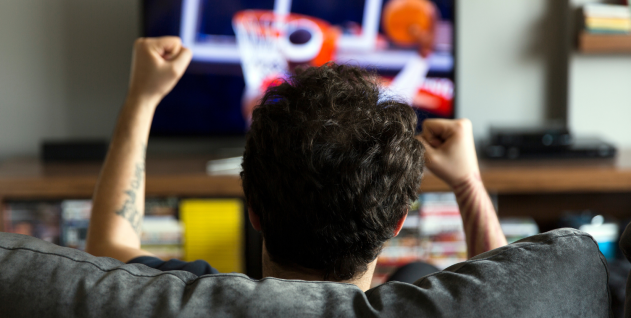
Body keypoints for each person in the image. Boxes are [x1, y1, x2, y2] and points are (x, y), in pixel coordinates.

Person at [85, 36, 507, 291]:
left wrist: (143, 96)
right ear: (397, 222)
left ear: (254, 207)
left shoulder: (186, 300)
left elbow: (108, 246)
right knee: (417, 272)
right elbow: (509, 289)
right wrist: (469, 182)